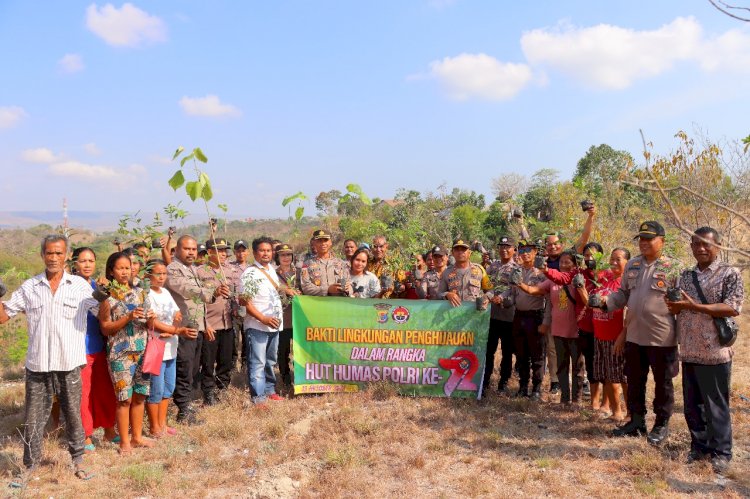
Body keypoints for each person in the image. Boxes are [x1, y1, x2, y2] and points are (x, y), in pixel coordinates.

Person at [0, 235, 97, 481]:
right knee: (33, 419)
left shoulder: (80, 286)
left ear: (66, 255)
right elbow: (4, 316)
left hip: (69, 363)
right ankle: (30, 467)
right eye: (49, 253)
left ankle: (78, 461)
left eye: (58, 253)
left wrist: (107, 298)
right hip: (38, 364)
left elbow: (101, 313)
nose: (53, 258)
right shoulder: (30, 286)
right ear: (42, 255)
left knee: (73, 415)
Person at [594, 221, 682, 445]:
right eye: (641, 238)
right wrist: (605, 303)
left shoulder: (673, 267)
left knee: (663, 384)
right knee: (634, 381)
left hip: (662, 336)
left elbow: (682, 303)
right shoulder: (632, 265)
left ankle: (661, 425)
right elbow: (622, 294)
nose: (644, 242)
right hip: (634, 335)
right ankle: (637, 422)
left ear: (662, 241)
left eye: (649, 238)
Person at [665, 227, 744, 474]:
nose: (700, 248)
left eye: (706, 244)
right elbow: (678, 309)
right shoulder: (685, 275)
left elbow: (732, 308)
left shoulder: (729, 273)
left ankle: (722, 452)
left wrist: (694, 306)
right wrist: (674, 306)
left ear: (717, 246)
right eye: (696, 244)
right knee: (692, 406)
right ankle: (699, 447)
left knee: (716, 406)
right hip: (689, 350)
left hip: (714, 351)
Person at [97, 252, 156, 455]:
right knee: (124, 399)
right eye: (120, 268)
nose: (124, 271)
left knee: (140, 395)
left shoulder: (141, 293)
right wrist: (128, 317)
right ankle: (124, 442)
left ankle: (137, 437)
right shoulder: (107, 297)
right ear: (111, 271)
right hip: (120, 354)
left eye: (127, 267)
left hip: (142, 351)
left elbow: (149, 323)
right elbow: (105, 328)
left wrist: (150, 318)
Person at [165, 235, 227, 425]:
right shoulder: (172, 269)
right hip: (184, 328)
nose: (191, 252)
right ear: (176, 250)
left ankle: (186, 405)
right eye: (187, 249)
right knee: (184, 368)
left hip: (197, 326)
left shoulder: (191, 268)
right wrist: (211, 292)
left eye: (193, 249)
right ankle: (183, 410)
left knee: (192, 370)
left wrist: (206, 321)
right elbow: (185, 289)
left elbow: (199, 303)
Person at [515, 251, 580, 405]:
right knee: (562, 366)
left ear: (575, 264)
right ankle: (565, 400)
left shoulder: (578, 279)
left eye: (568, 262)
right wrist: (520, 283)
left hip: (576, 330)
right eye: (561, 262)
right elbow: (533, 290)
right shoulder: (552, 280)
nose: (563, 265)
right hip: (558, 329)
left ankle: (576, 401)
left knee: (578, 367)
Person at [71, 247, 117, 452]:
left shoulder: (96, 285)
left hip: (98, 345)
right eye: (83, 261)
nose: (87, 264)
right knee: (84, 393)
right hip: (80, 347)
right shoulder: (70, 286)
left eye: (91, 260)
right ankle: (86, 434)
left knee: (104, 390)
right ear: (74, 264)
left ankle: (109, 429)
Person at [581, 248, 630, 422]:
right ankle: (615, 411)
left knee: (621, 377)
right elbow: (590, 264)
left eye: (619, 259)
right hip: (599, 335)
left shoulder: (626, 284)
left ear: (627, 262)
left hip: (616, 337)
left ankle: (630, 413)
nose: (614, 262)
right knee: (607, 375)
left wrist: (622, 335)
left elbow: (631, 313)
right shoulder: (605, 278)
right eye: (612, 259)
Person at [145, 259, 191, 439]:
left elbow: (177, 313)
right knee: (156, 389)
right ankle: (154, 427)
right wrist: (172, 330)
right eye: (158, 273)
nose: (161, 277)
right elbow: (151, 321)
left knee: (168, 387)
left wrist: (172, 329)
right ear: (148, 274)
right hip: (156, 347)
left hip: (170, 345)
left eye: (164, 273)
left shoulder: (164, 292)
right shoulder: (146, 294)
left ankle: (162, 423)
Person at [240, 236, 285, 405]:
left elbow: (276, 289)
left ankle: (269, 390)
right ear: (255, 253)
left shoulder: (271, 269)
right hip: (257, 326)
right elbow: (245, 302)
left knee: (270, 361)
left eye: (268, 250)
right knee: (258, 363)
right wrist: (263, 319)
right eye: (262, 250)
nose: (266, 253)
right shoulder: (249, 274)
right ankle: (258, 399)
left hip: (274, 325)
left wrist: (288, 290)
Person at [503, 240, 548, 400]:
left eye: (529, 250)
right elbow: (510, 292)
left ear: (536, 252)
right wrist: (501, 299)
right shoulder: (516, 271)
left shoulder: (542, 272)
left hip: (535, 317)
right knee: (521, 355)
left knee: (537, 355)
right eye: (522, 250)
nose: (525, 253)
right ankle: (523, 387)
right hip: (519, 316)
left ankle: (536, 388)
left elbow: (541, 293)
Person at [198, 238, 239, 405]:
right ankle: (208, 392)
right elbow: (196, 301)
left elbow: (235, 294)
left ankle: (222, 389)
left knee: (226, 360)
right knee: (208, 361)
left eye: (225, 251)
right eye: (219, 250)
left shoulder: (230, 271)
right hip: (210, 324)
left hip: (228, 322)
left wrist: (237, 306)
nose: (224, 254)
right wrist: (205, 324)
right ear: (209, 253)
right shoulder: (200, 272)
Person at [483, 236, 519, 393]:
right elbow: (486, 284)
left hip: (508, 316)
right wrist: (490, 296)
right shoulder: (493, 266)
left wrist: (501, 298)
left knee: (506, 352)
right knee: (488, 351)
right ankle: (484, 381)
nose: (504, 249)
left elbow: (513, 289)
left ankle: (503, 382)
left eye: (508, 246)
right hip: (491, 316)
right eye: (501, 246)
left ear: (514, 250)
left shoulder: (516, 269)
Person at [436, 238, 493, 307]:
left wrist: (486, 297)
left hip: (474, 313)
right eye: (457, 250)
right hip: (453, 313)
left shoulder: (479, 269)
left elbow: (490, 290)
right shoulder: (446, 272)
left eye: (463, 250)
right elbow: (439, 294)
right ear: (452, 253)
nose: (460, 252)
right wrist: (448, 294)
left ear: (469, 253)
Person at [275, 243, 300, 386]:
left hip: (298, 318)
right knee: (283, 352)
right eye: (282, 255)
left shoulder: (299, 273)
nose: (286, 257)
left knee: (299, 351)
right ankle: (285, 379)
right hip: (282, 319)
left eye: (288, 254)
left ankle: (299, 377)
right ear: (277, 257)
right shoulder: (273, 274)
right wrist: (285, 289)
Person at [543, 203, 596, 271]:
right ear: (545, 246)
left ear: (562, 244)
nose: (553, 247)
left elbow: (584, 238)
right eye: (549, 244)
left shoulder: (570, 256)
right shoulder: (543, 263)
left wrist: (590, 216)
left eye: (555, 244)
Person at [300, 229, 352, 296]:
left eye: (326, 240)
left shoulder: (341, 263)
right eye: (319, 241)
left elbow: (348, 283)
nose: (323, 243)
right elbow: (306, 287)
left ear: (330, 242)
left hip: (338, 303)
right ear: (314, 243)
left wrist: (347, 289)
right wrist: (328, 290)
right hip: (318, 304)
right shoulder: (306, 265)